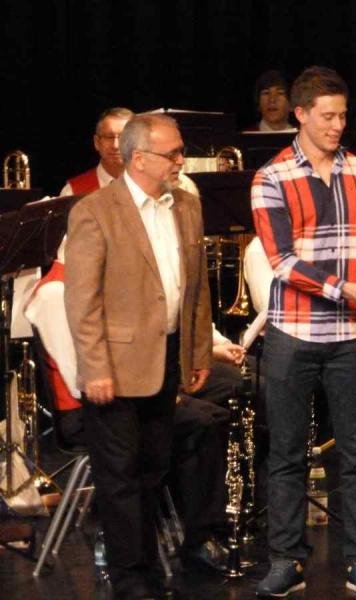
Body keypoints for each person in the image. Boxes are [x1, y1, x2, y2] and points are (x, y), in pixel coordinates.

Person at [250, 66, 356, 598]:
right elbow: (282, 261)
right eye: (329, 116)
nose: (339, 125)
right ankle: (286, 560)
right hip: (293, 333)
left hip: (351, 334)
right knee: (288, 453)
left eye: (342, 115)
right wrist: (348, 289)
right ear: (301, 114)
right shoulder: (271, 177)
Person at [64, 114, 213, 599]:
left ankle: (147, 568)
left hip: (165, 356)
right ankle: (130, 580)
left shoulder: (185, 204)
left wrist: (196, 350)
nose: (181, 160)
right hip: (114, 364)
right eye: (173, 153)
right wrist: (94, 368)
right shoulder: (95, 211)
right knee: (121, 477)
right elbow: (82, 301)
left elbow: (196, 288)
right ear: (140, 158)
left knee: (153, 468)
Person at [60, 107, 134, 196]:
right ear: (97, 142)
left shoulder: (149, 185)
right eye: (108, 137)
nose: (115, 145)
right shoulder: (72, 192)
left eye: (124, 136)